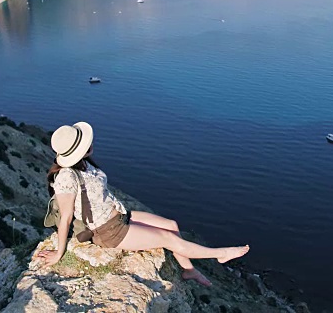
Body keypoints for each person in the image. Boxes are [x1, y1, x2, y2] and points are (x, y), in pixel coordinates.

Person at [37, 121, 250, 286]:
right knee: (168, 239)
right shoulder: (66, 177)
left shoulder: (83, 164)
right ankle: (220, 254)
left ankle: (189, 270)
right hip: (107, 231)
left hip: (119, 215)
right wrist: (58, 253)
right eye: (85, 143)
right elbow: (65, 218)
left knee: (171, 225)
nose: (90, 143)